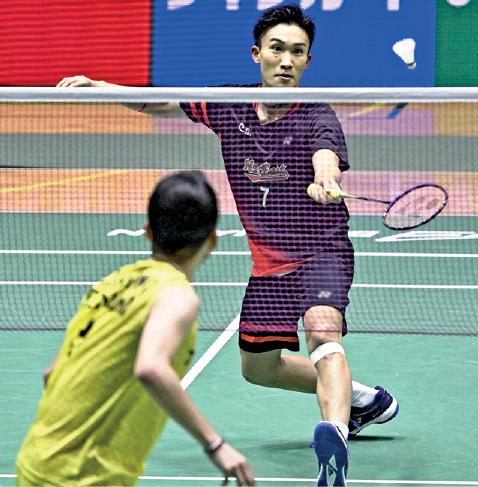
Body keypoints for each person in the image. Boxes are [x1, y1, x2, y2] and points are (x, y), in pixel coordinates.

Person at [57, 5, 399, 486]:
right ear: (257, 54)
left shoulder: (318, 114)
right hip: (269, 264)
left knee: (324, 334)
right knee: (259, 369)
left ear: (307, 61)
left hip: (323, 252)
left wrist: (326, 176)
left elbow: (327, 155)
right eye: (277, 49)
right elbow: (161, 103)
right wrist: (99, 89)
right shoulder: (230, 104)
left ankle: (334, 437)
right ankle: (365, 401)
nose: (286, 60)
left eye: (297, 52)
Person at [16, 172, 256, 487]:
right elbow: (151, 367)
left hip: (35, 461)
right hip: (84, 477)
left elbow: (52, 374)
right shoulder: (177, 295)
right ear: (213, 239)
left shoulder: (110, 284)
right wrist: (216, 445)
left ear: (147, 232)